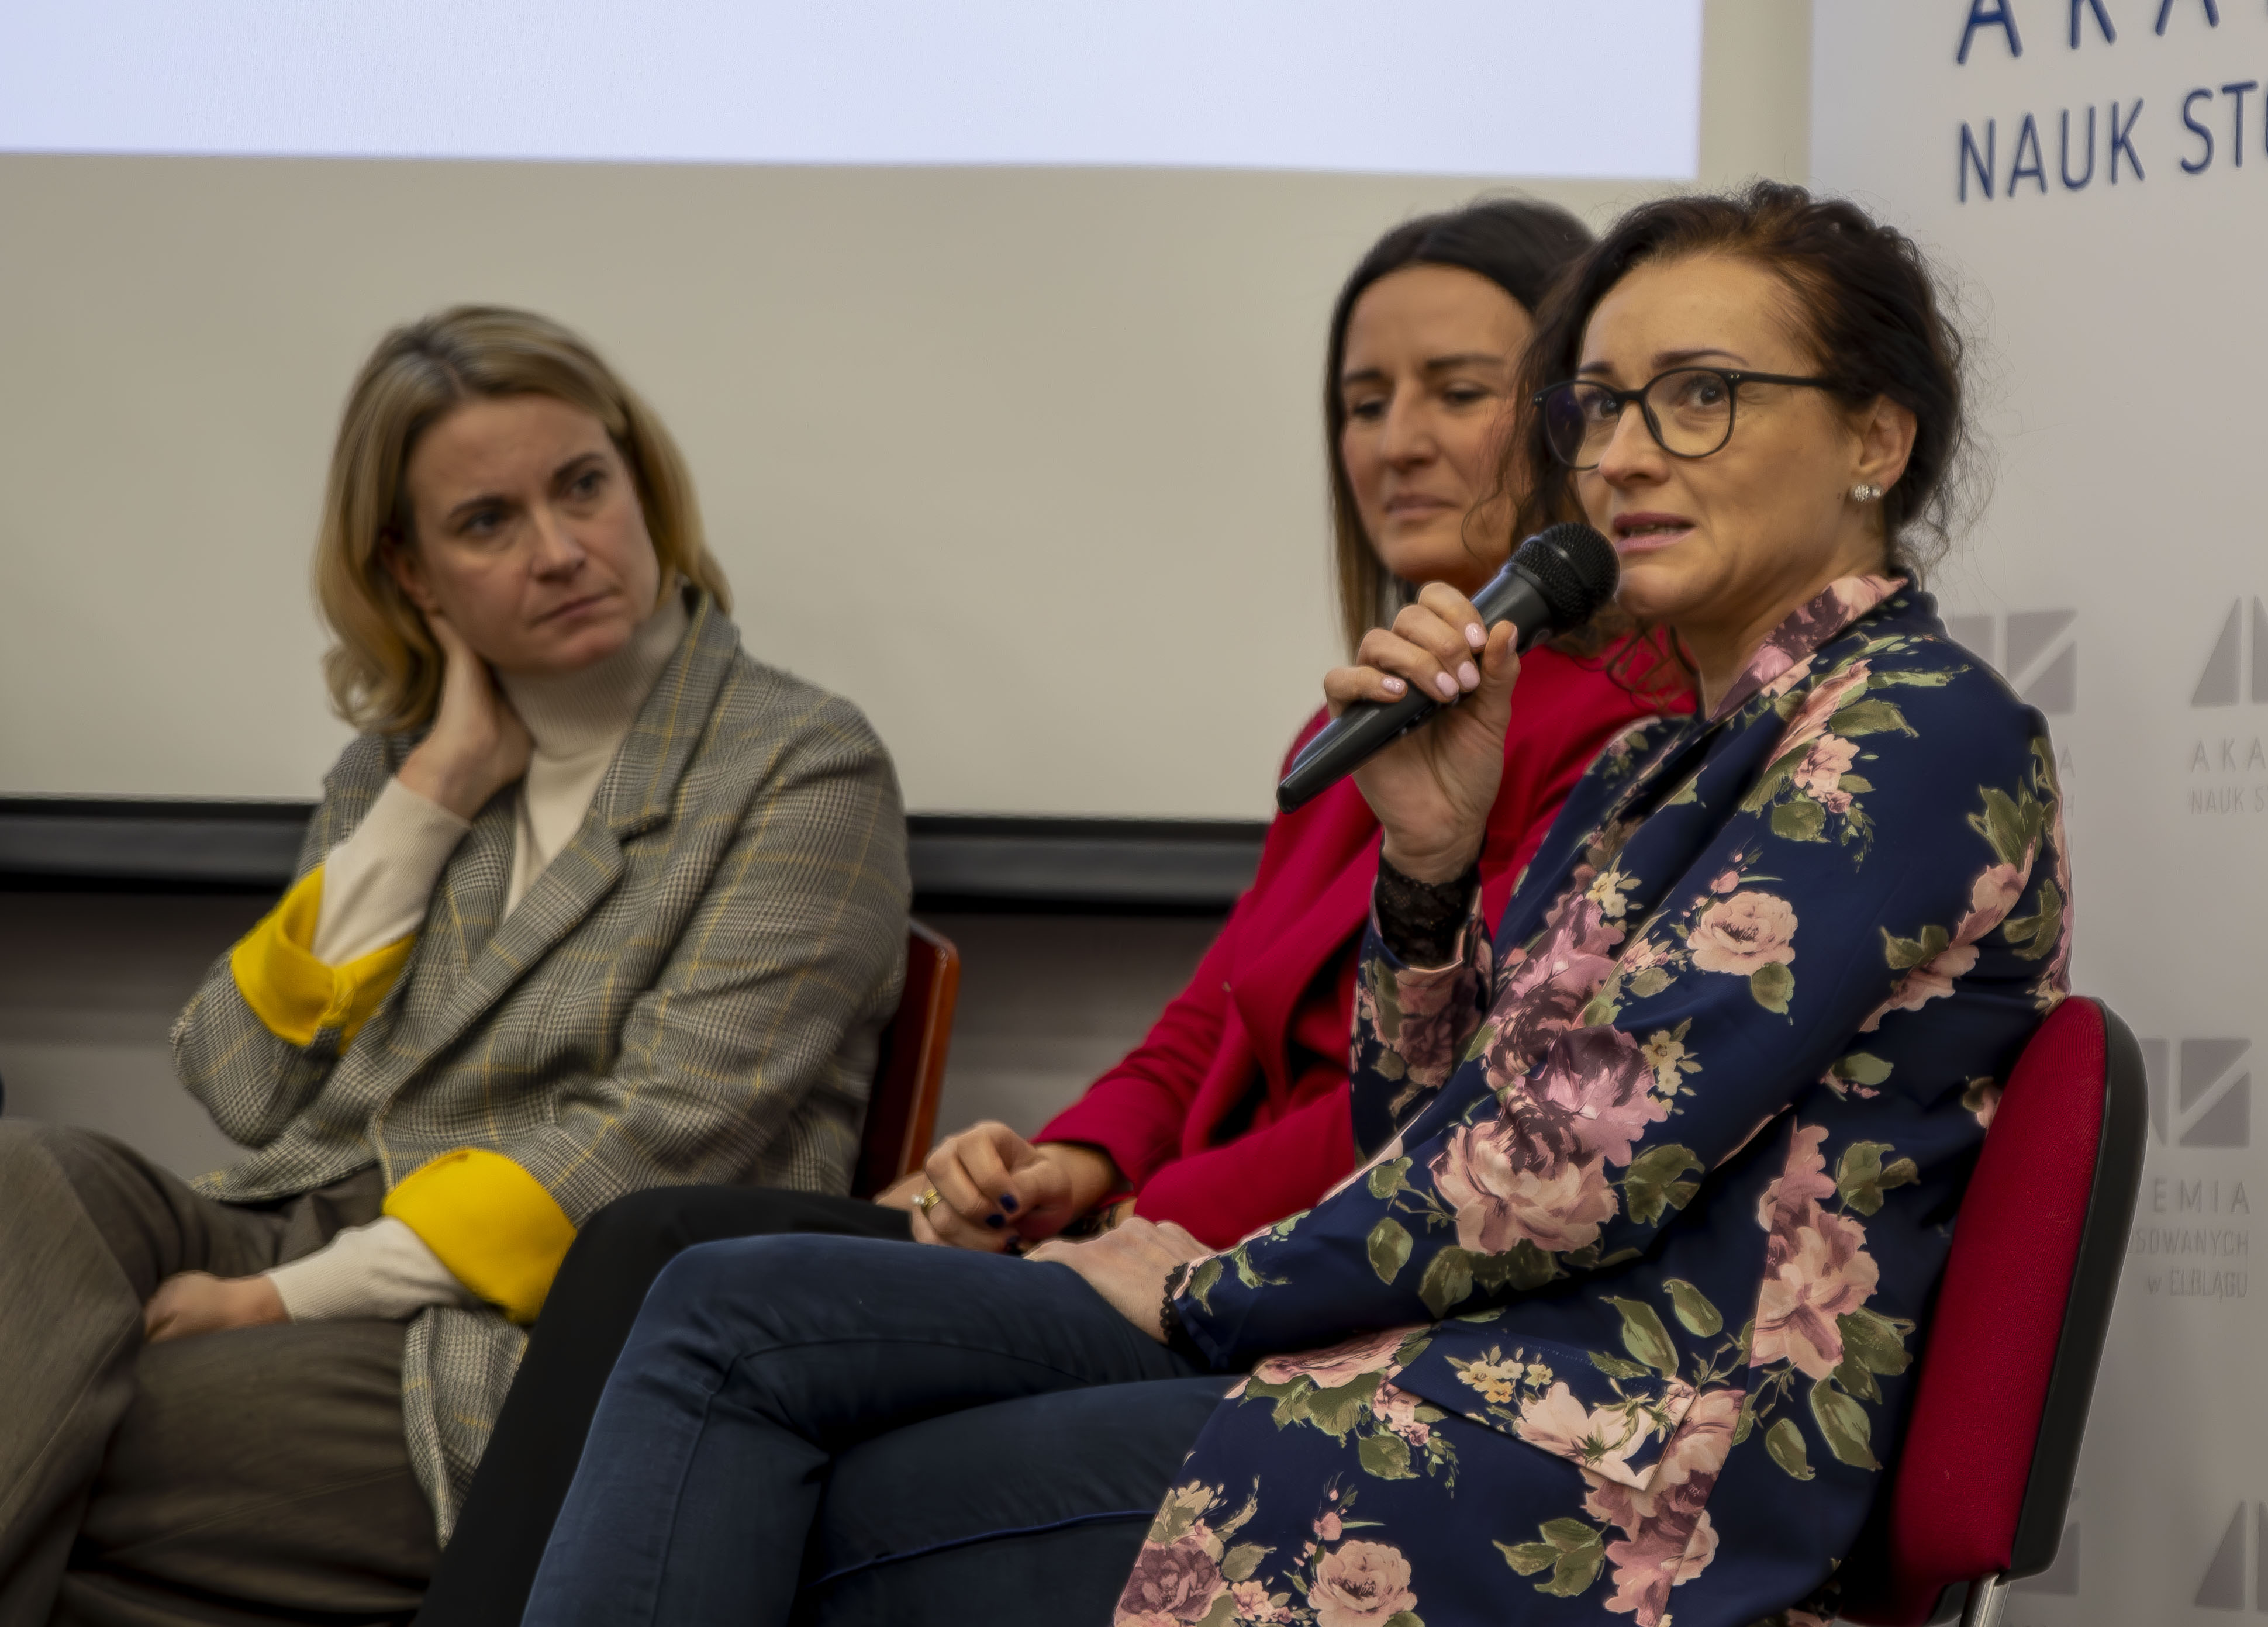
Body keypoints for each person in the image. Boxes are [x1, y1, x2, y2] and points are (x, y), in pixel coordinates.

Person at [519, 181, 2074, 1627]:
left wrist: (1200, 1286)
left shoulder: (1914, 730)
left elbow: (1562, 1172)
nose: (1619, 456)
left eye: (1700, 393)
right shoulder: (1663, 759)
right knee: (735, 1328)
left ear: (1875, 435)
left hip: (1630, 1468)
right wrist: (1427, 865)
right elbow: (1431, 1120)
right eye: (1598, 404)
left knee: (785, 1407)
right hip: (1465, 1382)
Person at [418, 200, 1682, 1627]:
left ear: (1570, 421)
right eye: (1362, 401)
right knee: (651, 1238)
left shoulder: (1610, 727)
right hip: (1156, 1230)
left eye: (1456, 391)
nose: (1396, 440)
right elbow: (1209, 1015)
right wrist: (1069, 1162)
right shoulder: (1377, 718)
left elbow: (1444, 1103)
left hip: (1283, 1270)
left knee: (699, 1285)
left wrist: (1149, 1215)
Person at [0, 307, 914, 1627]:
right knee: (20, 1179)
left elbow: (649, 1145)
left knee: (90, 1412)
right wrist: (431, 792)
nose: (560, 549)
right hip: (308, 1220)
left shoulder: (804, 765)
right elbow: (240, 1085)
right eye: (489, 521)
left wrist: (280, 1300)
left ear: (641, 486)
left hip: (550, 1334)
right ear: (413, 572)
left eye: (583, 487)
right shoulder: (401, 762)